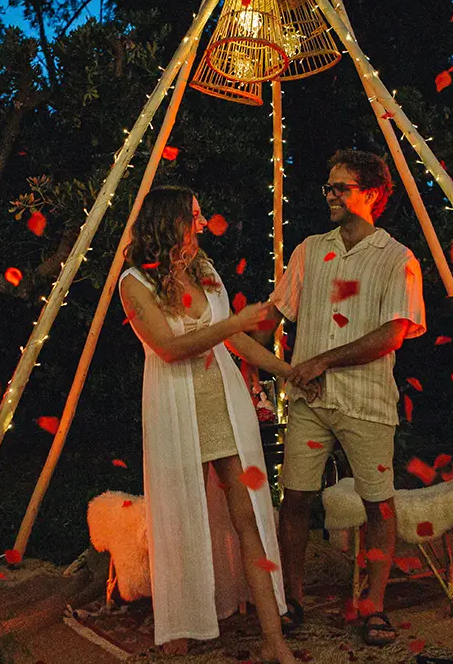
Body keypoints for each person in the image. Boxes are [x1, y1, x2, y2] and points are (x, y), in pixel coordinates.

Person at [118, 185, 307, 663]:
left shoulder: (205, 271)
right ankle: (182, 621)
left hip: (222, 402)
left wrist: (287, 372)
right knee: (183, 514)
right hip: (174, 407)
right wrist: (234, 322)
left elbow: (235, 343)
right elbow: (170, 347)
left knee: (248, 517)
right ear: (170, 220)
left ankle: (274, 640)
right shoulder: (134, 283)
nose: (202, 223)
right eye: (194, 215)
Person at [254, 150, 426, 646]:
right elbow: (276, 314)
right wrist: (242, 350)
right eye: (328, 187)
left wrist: (325, 359)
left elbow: (393, 333)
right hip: (310, 401)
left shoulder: (397, 258)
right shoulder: (310, 250)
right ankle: (291, 599)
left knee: (378, 504)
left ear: (371, 194)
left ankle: (374, 606)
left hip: (368, 403)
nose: (330, 195)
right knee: (296, 499)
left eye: (341, 188)